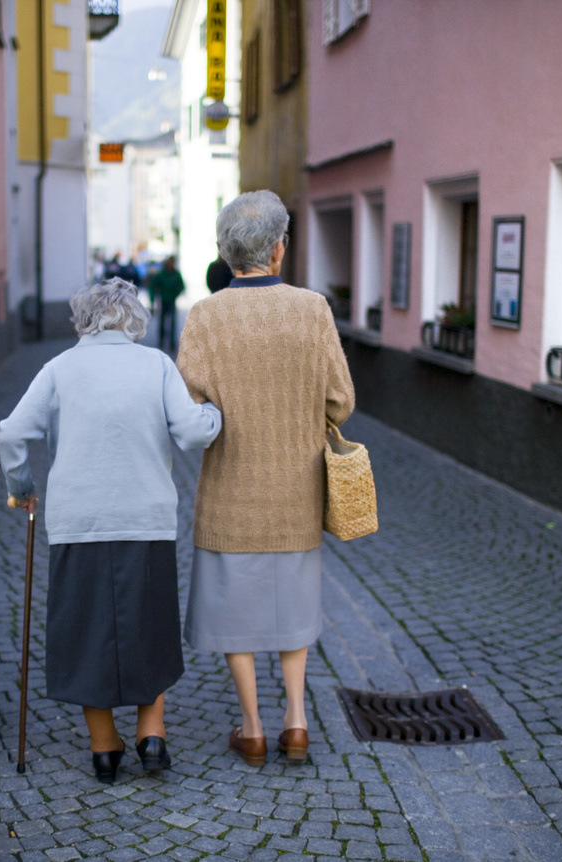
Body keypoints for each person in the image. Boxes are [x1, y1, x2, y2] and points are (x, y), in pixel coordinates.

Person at [0, 278, 222, 783]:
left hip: (80, 522)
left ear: (83, 321)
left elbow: (12, 431)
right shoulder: (157, 365)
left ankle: (104, 747)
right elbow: (191, 432)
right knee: (151, 626)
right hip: (145, 520)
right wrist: (213, 415)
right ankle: (152, 733)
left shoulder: (59, 369)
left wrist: (23, 484)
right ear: (134, 319)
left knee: (83, 631)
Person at [176, 190, 355, 767]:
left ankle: (252, 727)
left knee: (234, 608)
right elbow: (341, 400)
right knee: (294, 603)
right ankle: (296, 721)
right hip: (297, 489)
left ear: (228, 255)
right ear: (279, 249)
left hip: (231, 488)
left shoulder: (205, 316)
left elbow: (188, 404)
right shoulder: (313, 308)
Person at [147, 255, 185, 352]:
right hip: (163, 300)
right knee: (162, 323)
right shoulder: (161, 275)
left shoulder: (175, 274)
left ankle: (172, 343)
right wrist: (152, 299)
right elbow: (153, 287)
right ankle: (161, 341)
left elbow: (182, 286)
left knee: (172, 323)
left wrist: (175, 293)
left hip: (171, 301)